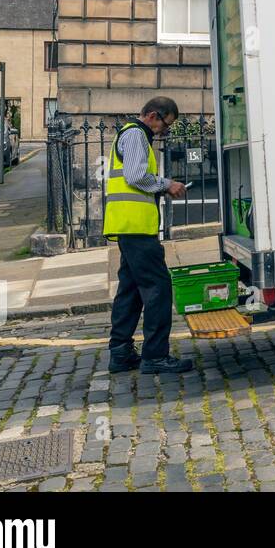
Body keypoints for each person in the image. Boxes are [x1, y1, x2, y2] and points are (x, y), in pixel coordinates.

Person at [105, 96, 192, 374]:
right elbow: (135, 175)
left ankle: (120, 353)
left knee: (130, 292)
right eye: (164, 126)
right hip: (136, 227)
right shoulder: (135, 135)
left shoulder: (133, 134)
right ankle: (155, 356)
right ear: (153, 115)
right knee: (158, 288)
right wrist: (168, 185)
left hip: (131, 226)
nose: (163, 132)